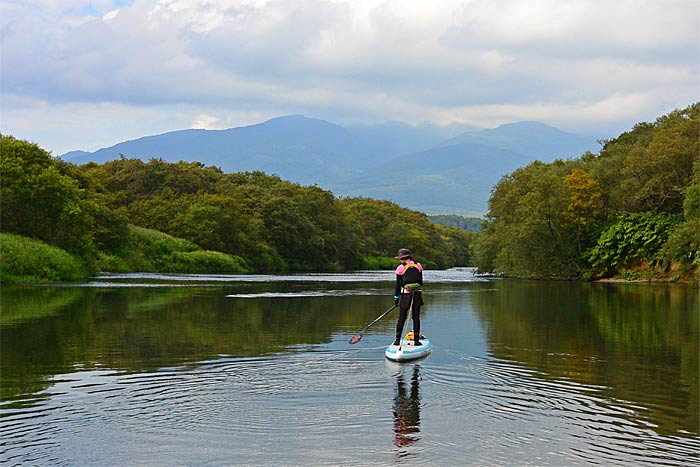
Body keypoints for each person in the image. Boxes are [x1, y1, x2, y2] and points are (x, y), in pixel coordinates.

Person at [392, 248, 424, 346]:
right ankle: (416, 341)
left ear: (402, 258)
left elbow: (398, 285)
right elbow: (421, 282)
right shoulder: (418, 266)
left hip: (405, 295)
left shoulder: (400, 268)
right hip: (417, 294)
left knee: (402, 317)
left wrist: (396, 298)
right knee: (416, 318)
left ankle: (397, 341)